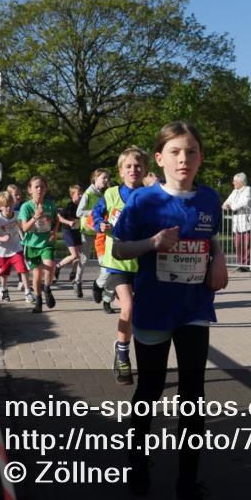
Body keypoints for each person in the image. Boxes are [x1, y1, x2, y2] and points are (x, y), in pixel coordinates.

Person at [113, 122, 227, 500]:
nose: (185, 159)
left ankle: (188, 484)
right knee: (150, 387)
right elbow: (118, 246)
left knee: (193, 396)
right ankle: (137, 457)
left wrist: (219, 259)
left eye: (192, 152)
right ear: (159, 159)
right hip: (155, 310)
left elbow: (211, 237)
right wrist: (151, 244)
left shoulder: (210, 199)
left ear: (200, 158)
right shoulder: (144, 201)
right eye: (176, 152)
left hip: (194, 307)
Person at [93, 147, 146, 383]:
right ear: (120, 171)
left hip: (144, 262)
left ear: (145, 170)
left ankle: (140, 355)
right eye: (129, 166)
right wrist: (99, 224)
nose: (133, 170)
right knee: (128, 306)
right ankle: (123, 355)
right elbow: (96, 214)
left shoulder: (151, 195)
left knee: (143, 313)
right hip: (117, 262)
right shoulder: (111, 194)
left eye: (138, 166)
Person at [18, 176, 60, 314]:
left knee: (50, 265)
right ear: (30, 190)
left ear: (46, 189)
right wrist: (36, 216)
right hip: (31, 245)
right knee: (36, 275)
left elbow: (56, 220)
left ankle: (47, 287)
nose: (39, 189)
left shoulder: (50, 205)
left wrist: (54, 231)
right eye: (36, 187)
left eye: (42, 186)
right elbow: (24, 228)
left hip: (46, 243)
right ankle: (38, 301)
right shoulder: (26, 207)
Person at [0, 190, 31, 302]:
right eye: (5, 206)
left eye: (10, 205)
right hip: (3, 251)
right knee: (5, 274)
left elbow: (19, 227)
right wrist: (1, 238)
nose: (8, 208)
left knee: (23, 269)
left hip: (16, 248)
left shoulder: (17, 215)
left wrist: (23, 237)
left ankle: (28, 292)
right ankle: (3, 289)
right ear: (0, 207)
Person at [77, 169, 111, 304]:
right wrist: (93, 212)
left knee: (104, 263)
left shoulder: (103, 194)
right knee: (84, 259)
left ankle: (104, 289)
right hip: (87, 229)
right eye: (104, 178)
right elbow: (79, 212)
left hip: (99, 231)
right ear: (95, 178)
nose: (106, 180)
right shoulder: (88, 193)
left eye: (108, 178)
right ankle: (77, 282)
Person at [56, 184, 86, 296]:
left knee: (79, 255)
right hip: (68, 231)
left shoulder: (83, 206)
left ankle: (73, 275)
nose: (81, 195)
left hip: (77, 231)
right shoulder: (69, 206)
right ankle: (57, 266)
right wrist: (68, 222)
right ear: (72, 195)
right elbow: (59, 217)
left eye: (81, 193)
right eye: (78, 194)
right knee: (74, 255)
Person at [222, 173, 251, 271]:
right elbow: (226, 202)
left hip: (247, 221)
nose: (233, 183)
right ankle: (240, 264)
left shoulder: (248, 189)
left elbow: (245, 202)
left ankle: (246, 265)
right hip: (237, 222)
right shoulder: (234, 191)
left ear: (241, 182)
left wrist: (232, 206)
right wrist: (226, 205)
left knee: (247, 244)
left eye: (235, 181)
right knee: (238, 244)